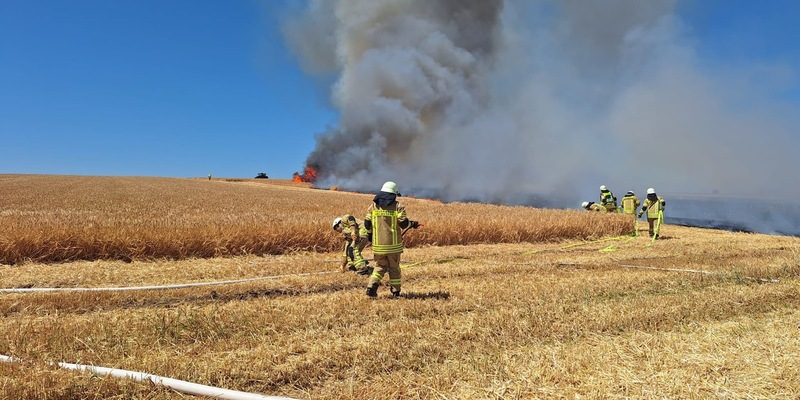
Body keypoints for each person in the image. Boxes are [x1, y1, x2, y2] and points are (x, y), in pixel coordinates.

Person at [363, 181, 420, 298]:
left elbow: (367, 223)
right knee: (394, 268)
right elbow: (404, 224)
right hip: (393, 245)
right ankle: (395, 292)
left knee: (379, 267)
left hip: (378, 245)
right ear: (394, 194)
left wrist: (370, 235)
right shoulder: (397, 206)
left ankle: (371, 287)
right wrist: (413, 224)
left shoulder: (373, 206)